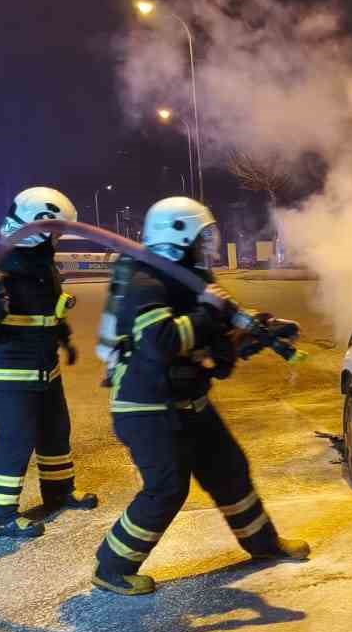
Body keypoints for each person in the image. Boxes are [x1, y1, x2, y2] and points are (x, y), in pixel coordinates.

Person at [93, 195, 308, 595]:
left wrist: (259, 331)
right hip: (146, 408)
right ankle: (112, 567)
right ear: (178, 235)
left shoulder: (193, 278)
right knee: (167, 488)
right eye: (203, 235)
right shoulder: (146, 281)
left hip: (189, 401)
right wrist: (208, 312)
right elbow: (162, 341)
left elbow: (221, 336)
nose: (209, 242)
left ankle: (262, 545)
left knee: (230, 470)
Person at [0, 187, 99, 540]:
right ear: (37, 224)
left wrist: (65, 339)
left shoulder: (39, 260)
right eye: (56, 229)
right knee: (16, 440)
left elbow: (49, 310)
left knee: (56, 430)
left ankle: (58, 493)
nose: (58, 237)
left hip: (44, 365)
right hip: (9, 371)